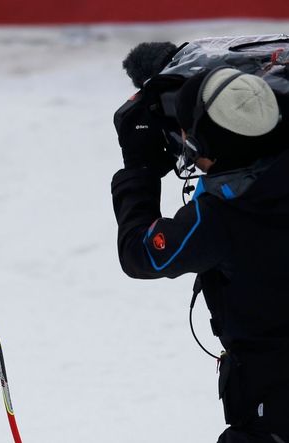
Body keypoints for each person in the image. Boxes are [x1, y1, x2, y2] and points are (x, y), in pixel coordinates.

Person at [112, 58, 289, 442]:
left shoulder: (221, 218)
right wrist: (169, 72)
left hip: (273, 410)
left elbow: (140, 253)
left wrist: (138, 171)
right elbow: (254, 102)